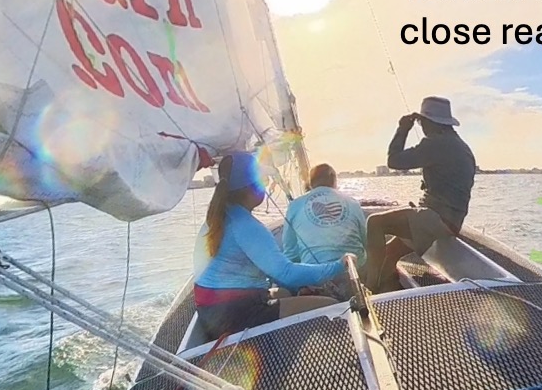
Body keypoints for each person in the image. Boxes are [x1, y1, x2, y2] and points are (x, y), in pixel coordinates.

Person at [195, 152, 346, 336]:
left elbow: (276, 274)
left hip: (212, 311)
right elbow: (286, 273)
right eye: (263, 180)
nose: (267, 185)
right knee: (332, 307)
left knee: (284, 293)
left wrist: (301, 284)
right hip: (235, 315)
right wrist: (339, 265)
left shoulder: (220, 217)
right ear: (251, 187)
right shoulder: (246, 226)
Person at [364, 96, 477, 291]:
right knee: (390, 253)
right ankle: (385, 291)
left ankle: (368, 288)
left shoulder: (436, 143)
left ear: (429, 122)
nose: (421, 126)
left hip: (435, 219)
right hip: (451, 221)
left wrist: (403, 128)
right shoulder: (459, 145)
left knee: (374, 223)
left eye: (421, 122)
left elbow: (394, 160)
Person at [281, 163, 366, 300]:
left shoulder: (295, 205)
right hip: (352, 274)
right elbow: (365, 242)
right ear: (334, 181)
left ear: (311, 183)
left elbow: (290, 252)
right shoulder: (353, 203)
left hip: (314, 278)